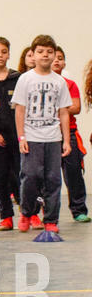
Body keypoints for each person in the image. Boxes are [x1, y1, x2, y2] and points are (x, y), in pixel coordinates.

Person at [12, 34, 71, 234]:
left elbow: (63, 112)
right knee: (30, 176)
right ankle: (27, 212)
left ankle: (51, 219)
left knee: (53, 179)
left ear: (54, 55)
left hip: (53, 138)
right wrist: (21, 137)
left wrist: (66, 140)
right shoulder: (25, 79)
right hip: (31, 137)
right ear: (33, 54)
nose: (45, 55)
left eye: (49, 51)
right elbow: (19, 110)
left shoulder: (60, 82)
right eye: (40, 51)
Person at [52, 46, 90, 223]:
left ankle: (78, 209)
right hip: (47, 135)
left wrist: (56, 109)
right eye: (54, 57)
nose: (56, 60)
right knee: (48, 177)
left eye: (60, 58)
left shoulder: (70, 84)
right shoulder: (37, 83)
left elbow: (76, 107)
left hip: (70, 134)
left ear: (64, 62)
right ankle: (48, 213)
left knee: (73, 173)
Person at [0, 37, 21, 230]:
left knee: (21, 175)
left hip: (17, 136)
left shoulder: (18, 78)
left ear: (8, 54)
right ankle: (5, 216)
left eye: (4, 52)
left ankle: (29, 212)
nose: (0, 56)